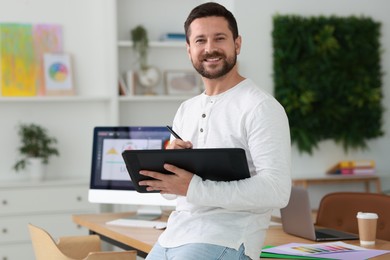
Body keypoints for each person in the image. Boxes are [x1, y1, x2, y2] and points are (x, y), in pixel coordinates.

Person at [139, 2, 291, 259]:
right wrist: (169, 170)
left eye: (219, 38)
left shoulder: (261, 107)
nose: (209, 48)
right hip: (173, 235)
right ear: (189, 50)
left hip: (226, 238)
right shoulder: (186, 108)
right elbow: (175, 195)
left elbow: (277, 191)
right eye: (200, 40)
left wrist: (192, 187)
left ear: (237, 44)